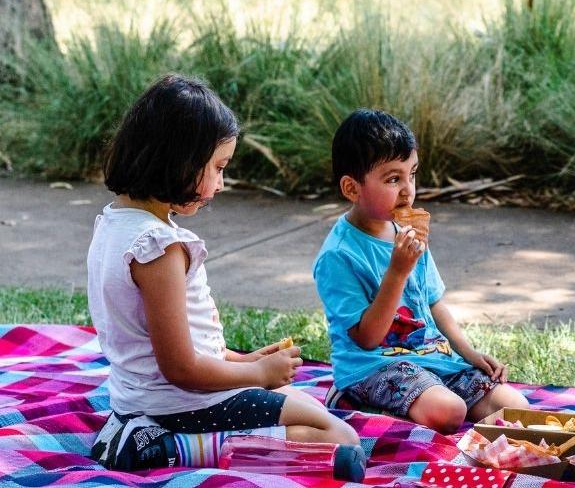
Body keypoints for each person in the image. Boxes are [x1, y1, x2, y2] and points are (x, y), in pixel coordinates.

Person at [87, 74, 360, 473]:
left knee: (304, 405)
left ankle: (141, 431)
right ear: (179, 159)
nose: (220, 183)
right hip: (181, 404)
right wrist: (255, 374)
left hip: (141, 398)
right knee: (341, 440)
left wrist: (242, 361)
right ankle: (170, 449)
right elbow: (179, 368)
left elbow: (161, 343)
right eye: (218, 167)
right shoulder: (157, 248)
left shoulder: (114, 225)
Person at [314, 109, 529, 433]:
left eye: (411, 174)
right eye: (392, 179)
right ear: (352, 188)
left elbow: (434, 303)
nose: (407, 190)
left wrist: (469, 353)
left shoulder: (407, 231)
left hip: (434, 359)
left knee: (516, 408)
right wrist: (397, 272)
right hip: (376, 366)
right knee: (450, 411)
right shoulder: (338, 256)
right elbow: (368, 338)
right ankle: (354, 404)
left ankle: (420, 417)